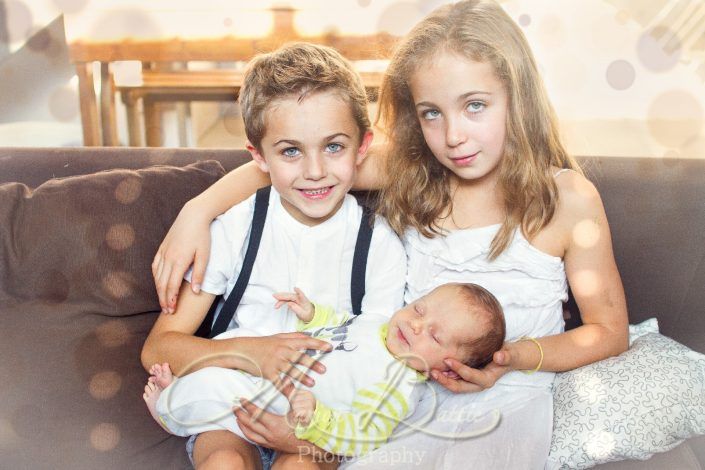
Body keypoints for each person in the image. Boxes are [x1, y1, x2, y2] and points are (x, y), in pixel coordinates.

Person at [151, 1, 629, 468]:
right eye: (431, 114)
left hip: (508, 401)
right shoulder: (413, 173)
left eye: (475, 106)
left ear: (518, 95)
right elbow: (293, 167)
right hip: (403, 402)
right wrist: (198, 211)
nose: (454, 135)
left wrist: (513, 357)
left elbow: (608, 332)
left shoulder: (568, 200)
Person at [141, 42, 409, 470]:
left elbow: (382, 369)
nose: (315, 170)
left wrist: (313, 436)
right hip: (230, 416)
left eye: (334, 147)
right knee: (224, 462)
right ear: (258, 156)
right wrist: (251, 353)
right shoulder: (234, 228)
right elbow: (159, 348)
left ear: (363, 147)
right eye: (290, 151)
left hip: (321, 421)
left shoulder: (379, 245)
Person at [143, 282, 505, 462]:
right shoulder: (378, 324)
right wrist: (312, 313)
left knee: (220, 393)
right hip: (272, 379)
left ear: (447, 369)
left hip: (291, 418)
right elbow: (343, 325)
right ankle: (181, 395)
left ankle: (170, 410)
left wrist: (316, 421)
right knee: (229, 360)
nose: (415, 325)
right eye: (419, 310)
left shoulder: (398, 385)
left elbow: (366, 434)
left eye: (434, 335)